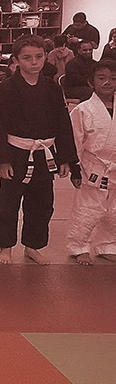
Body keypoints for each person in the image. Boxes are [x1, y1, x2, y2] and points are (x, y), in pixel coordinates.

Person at [0, 34, 77, 265]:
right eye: (27, 58)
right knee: (8, 203)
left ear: (46, 57)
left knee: (41, 203)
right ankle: (5, 247)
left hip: (44, 153)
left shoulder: (53, 88)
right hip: (16, 152)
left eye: (38, 57)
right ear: (16, 60)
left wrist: (65, 158)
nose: (34, 62)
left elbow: (63, 123)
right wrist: (2, 160)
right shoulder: (6, 89)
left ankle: (32, 246)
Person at [65, 59, 116, 265]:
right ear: (91, 81)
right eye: (101, 78)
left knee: (113, 211)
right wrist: (74, 168)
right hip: (92, 167)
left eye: (113, 78)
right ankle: (79, 247)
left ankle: (108, 245)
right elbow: (75, 140)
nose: (107, 82)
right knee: (87, 209)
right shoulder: (83, 110)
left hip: (114, 167)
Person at [62, 39, 97, 104]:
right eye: (85, 50)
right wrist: (90, 83)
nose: (88, 52)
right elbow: (74, 80)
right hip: (73, 88)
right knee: (94, 92)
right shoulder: (72, 64)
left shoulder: (95, 63)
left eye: (90, 50)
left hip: (88, 87)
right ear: (78, 50)